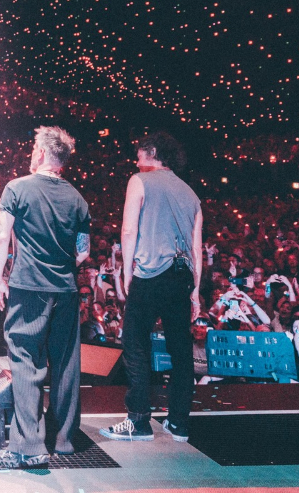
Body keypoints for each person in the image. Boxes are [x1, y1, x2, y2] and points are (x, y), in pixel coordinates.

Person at [0, 126, 91, 469]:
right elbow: (83, 252)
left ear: (44, 153)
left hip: (29, 288)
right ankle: (63, 439)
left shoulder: (17, 188)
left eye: (33, 148)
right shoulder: (78, 198)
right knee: (65, 365)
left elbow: (2, 237)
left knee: (26, 360)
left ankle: (28, 446)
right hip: (66, 289)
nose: (31, 153)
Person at [101, 132, 202, 444]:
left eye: (139, 154)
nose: (136, 160)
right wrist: (195, 290)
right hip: (183, 275)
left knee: (135, 342)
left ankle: (139, 422)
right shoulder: (191, 194)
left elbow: (129, 229)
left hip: (151, 271)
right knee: (180, 349)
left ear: (153, 153)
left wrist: (128, 270)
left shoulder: (139, 181)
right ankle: (179, 424)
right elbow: (197, 247)